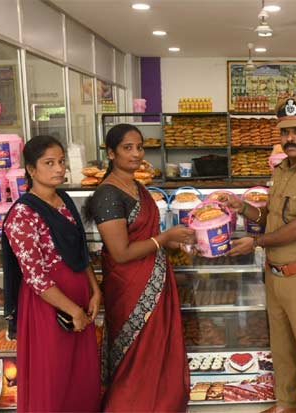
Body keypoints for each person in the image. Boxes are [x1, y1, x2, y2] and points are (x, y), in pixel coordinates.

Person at [227, 97, 296, 413]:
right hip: (274, 274)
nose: (290, 138)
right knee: (281, 347)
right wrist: (243, 207)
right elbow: (272, 217)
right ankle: (289, 405)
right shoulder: (281, 170)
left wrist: (256, 242)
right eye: (285, 132)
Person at [87, 124, 194, 412]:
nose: (136, 154)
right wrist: (165, 238)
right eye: (127, 148)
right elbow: (121, 253)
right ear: (111, 153)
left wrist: (176, 241)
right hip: (129, 288)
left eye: (139, 147)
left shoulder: (137, 187)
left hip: (155, 280)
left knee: (157, 352)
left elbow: (146, 237)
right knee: (135, 357)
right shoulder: (108, 195)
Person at [2, 135, 101, 412]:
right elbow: (36, 277)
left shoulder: (64, 200)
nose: (59, 168)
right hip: (48, 308)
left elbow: (80, 249)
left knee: (81, 376)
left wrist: (95, 291)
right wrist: (73, 311)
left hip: (79, 299)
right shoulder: (22, 214)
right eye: (49, 163)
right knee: (54, 377)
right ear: (31, 170)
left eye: (61, 161)